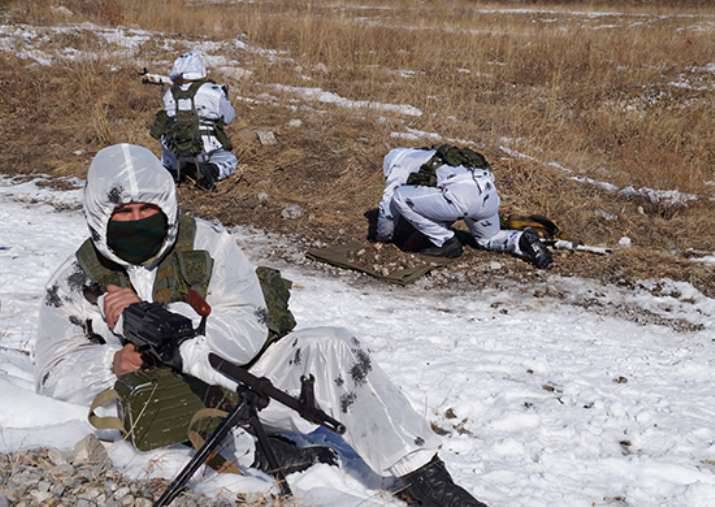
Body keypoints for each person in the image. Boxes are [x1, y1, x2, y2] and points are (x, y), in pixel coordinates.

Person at [34, 144, 488, 507]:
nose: (137, 222)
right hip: (155, 402)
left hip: (239, 377)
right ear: (98, 215)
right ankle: (260, 451)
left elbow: (247, 326)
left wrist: (180, 330)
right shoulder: (76, 278)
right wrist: (111, 361)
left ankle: (425, 477)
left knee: (334, 348)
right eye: (124, 214)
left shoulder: (207, 244)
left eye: (146, 211)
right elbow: (53, 369)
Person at [375, 145, 552, 268]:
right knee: (488, 239)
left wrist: (384, 238)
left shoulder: (398, 165)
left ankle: (446, 241)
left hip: (462, 197)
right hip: (487, 194)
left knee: (400, 196)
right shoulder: (432, 156)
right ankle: (521, 240)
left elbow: (388, 207)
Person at [150, 50, 237, 191]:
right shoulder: (214, 91)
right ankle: (210, 171)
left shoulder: (169, 94)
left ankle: (172, 172)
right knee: (229, 160)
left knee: (167, 152)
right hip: (205, 148)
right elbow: (229, 117)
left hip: (176, 147)